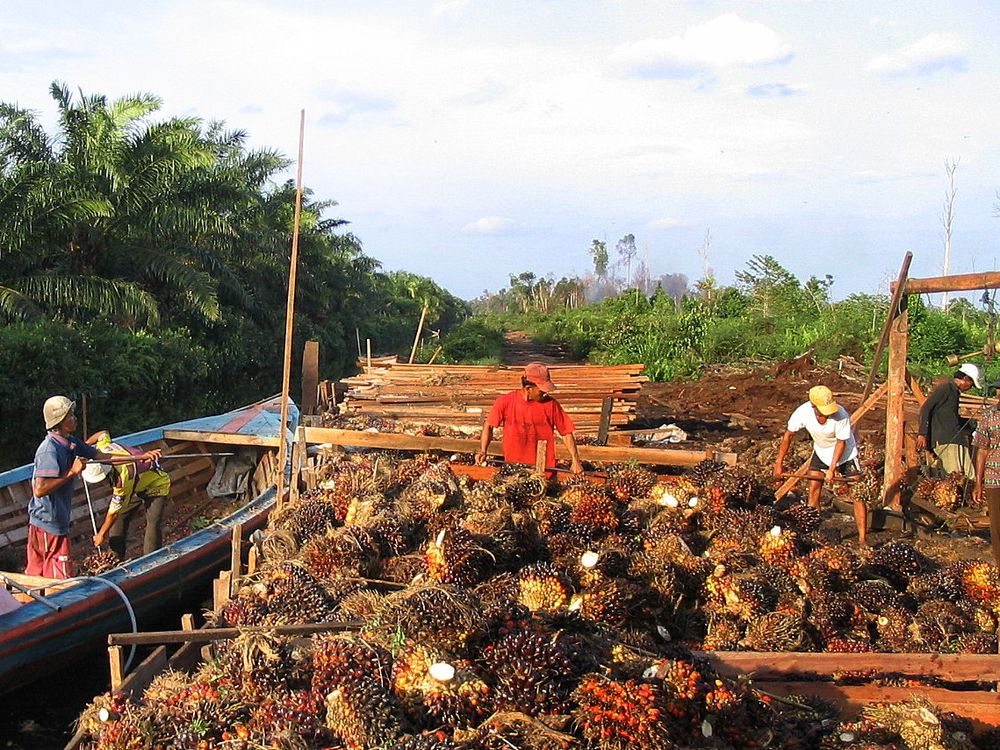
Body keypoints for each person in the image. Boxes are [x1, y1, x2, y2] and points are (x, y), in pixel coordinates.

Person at [28, 396, 160, 579]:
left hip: (58, 521)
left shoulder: (71, 442)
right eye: (71, 415)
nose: (75, 418)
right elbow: (40, 489)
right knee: (55, 580)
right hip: (47, 524)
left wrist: (139, 457)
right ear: (59, 422)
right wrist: (72, 473)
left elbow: (102, 456)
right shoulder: (49, 450)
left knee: (51, 576)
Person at [773, 385, 866, 543]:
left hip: (846, 454)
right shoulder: (802, 413)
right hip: (821, 451)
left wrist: (832, 469)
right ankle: (813, 532)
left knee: (857, 494)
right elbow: (788, 437)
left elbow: (841, 443)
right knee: (814, 488)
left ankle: (863, 539)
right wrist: (778, 463)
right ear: (813, 406)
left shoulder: (841, 414)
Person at [475, 362, 584, 476]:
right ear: (528, 388)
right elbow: (489, 425)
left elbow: (566, 432)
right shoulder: (505, 402)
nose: (545, 394)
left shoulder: (551, 404)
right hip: (514, 469)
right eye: (541, 391)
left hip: (544, 471)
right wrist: (483, 450)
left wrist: (575, 460)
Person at [87, 431, 171, 559]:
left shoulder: (123, 478)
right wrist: (84, 446)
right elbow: (102, 434)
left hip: (156, 485)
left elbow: (113, 512)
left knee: (153, 524)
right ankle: (115, 559)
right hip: (137, 486)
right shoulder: (102, 448)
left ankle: (151, 561)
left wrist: (101, 534)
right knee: (118, 523)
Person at [917, 363, 980, 481]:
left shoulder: (954, 392)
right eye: (971, 384)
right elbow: (926, 408)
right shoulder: (946, 388)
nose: (970, 388)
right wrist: (922, 433)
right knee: (953, 477)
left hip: (956, 439)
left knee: (970, 477)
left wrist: (973, 425)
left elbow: (951, 417)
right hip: (946, 440)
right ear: (965, 379)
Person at [972, 381, 1000, 565]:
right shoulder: (989, 415)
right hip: (993, 476)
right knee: (997, 526)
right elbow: (981, 450)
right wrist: (978, 483)